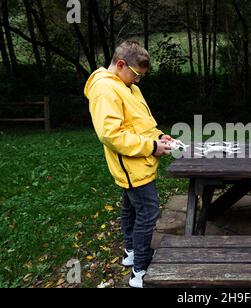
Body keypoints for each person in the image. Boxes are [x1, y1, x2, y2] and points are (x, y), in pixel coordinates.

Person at [84, 40, 172, 288]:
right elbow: (110, 135)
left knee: (131, 208)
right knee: (148, 212)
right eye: (136, 75)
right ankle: (139, 272)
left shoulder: (128, 86)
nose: (138, 80)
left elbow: (140, 123)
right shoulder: (105, 90)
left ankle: (132, 252)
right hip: (132, 166)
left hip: (140, 162)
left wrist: (158, 137)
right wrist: (151, 147)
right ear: (121, 64)